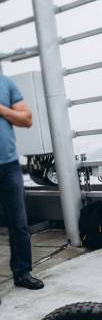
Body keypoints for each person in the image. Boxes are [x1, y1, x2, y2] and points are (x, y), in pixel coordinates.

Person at [0, 73, 44, 291]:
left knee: (19, 223)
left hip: (8, 166)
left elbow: (26, 119)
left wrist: (2, 109)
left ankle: (23, 272)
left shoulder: (5, 83)